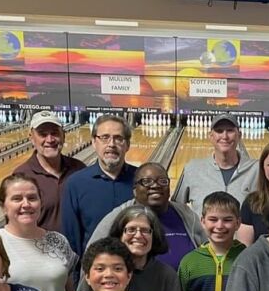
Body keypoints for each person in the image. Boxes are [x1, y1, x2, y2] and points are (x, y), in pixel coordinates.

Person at [82, 162, 205, 272]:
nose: (156, 186)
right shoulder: (118, 217)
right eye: (147, 181)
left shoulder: (186, 215)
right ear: (135, 190)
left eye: (163, 181)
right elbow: (91, 259)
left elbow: (209, 251)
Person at [0, 173, 76, 291]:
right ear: (3, 207)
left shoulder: (58, 240)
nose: (26, 204)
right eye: (17, 199)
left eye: (32, 198)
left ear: (40, 203)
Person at [60, 114, 138, 257]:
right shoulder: (76, 183)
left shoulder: (141, 181)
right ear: (94, 143)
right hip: (94, 272)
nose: (111, 144)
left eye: (118, 138)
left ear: (127, 145)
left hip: (137, 271)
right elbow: (71, 241)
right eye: (104, 137)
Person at [12, 110, 85, 232]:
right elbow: (15, 227)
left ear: (63, 135)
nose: (50, 139)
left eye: (55, 133)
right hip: (38, 249)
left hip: (75, 250)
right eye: (42, 134)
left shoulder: (80, 169)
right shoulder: (21, 176)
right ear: (31, 137)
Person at [176, 113, 258, 212]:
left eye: (230, 130)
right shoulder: (192, 169)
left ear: (239, 135)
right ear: (211, 136)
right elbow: (176, 208)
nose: (225, 136)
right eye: (219, 131)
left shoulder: (257, 169)